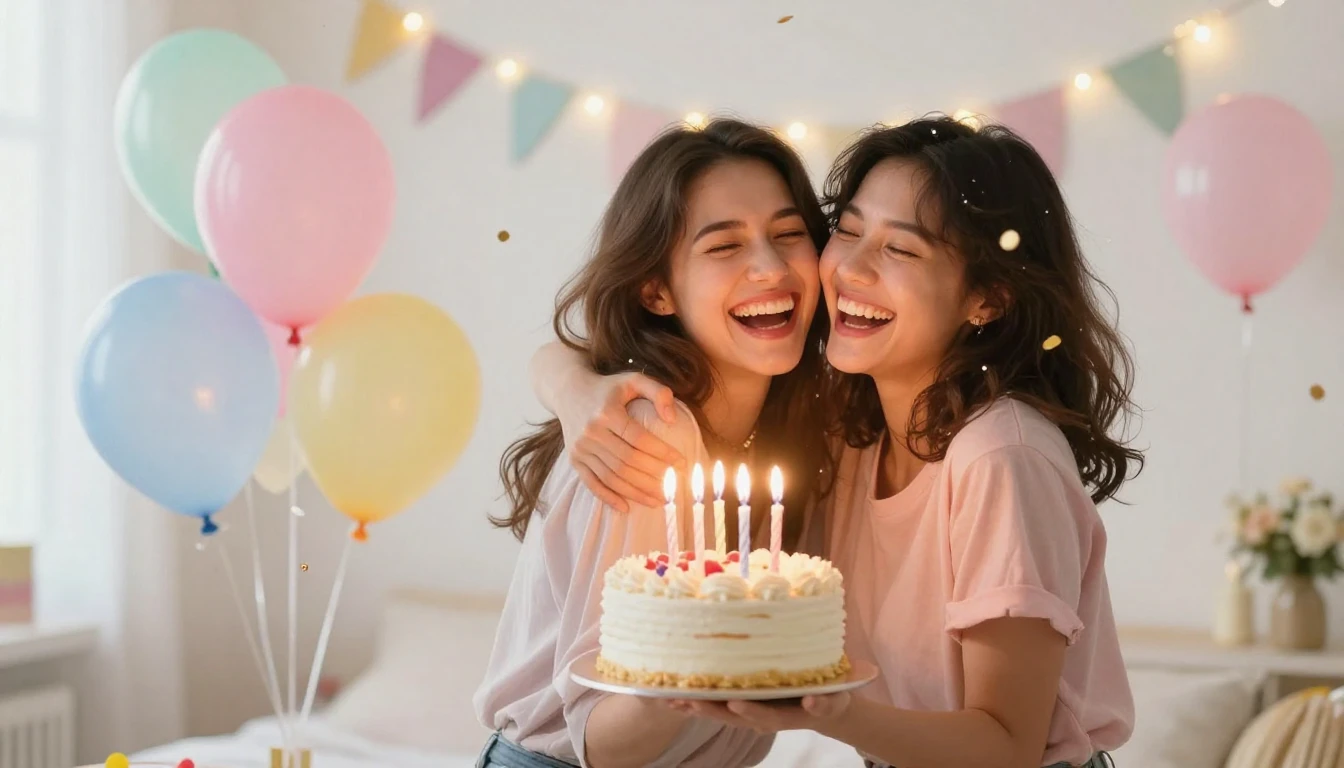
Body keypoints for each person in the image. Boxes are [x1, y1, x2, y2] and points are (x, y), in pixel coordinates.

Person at [530, 116, 1139, 768]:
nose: (851, 268)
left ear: (987, 299)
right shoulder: (850, 435)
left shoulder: (1000, 457)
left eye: (901, 250)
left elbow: (1008, 748)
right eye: (846, 232)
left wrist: (834, 711)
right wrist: (569, 384)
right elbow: (575, 348)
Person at [472, 117, 836, 768]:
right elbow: (601, 741)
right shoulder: (649, 428)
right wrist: (704, 649)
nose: (770, 267)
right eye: (724, 245)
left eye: (789, 234)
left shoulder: (807, 430)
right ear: (657, 290)